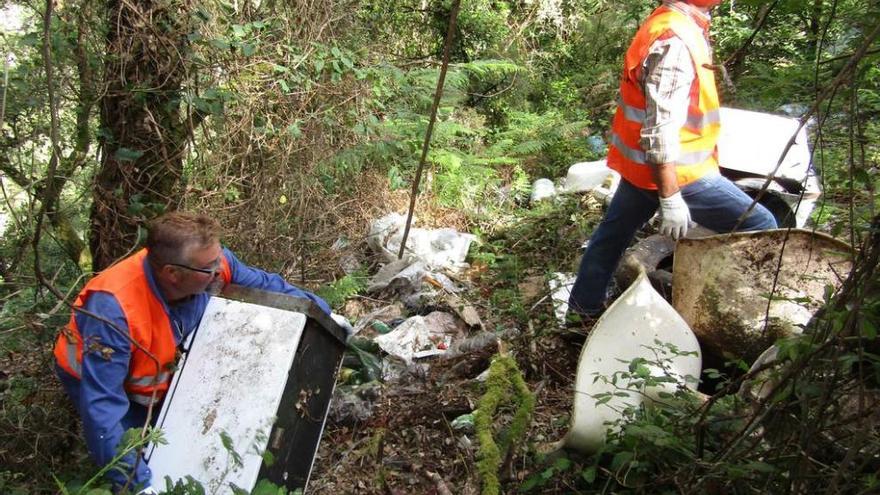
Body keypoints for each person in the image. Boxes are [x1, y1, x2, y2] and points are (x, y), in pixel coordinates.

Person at [54, 212, 347, 493]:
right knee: (138, 455)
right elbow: (102, 408)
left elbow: (267, 285)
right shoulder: (112, 309)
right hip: (103, 382)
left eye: (218, 258)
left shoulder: (211, 263)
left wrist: (323, 312)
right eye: (208, 267)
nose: (219, 268)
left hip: (161, 374)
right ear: (173, 274)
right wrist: (136, 485)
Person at [568, 0, 777, 318]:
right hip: (679, 172)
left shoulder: (671, 21)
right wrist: (670, 197)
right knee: (761, 226)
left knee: (610, 239)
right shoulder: (675, 38)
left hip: (644, 170)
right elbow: (659, 131)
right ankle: (738, 315)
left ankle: (581, 312)